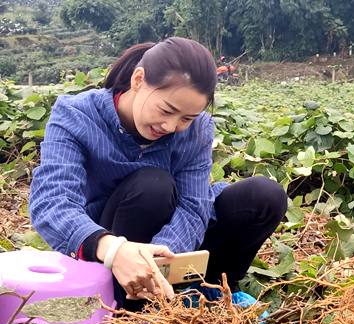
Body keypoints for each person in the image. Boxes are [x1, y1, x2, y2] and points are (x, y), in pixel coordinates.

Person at [29, 37, 288, 310]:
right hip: (105, 246)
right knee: (153, 186)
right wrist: (115, 250)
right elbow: (52, 202)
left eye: (187, 118)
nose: (171, 126)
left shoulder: (197, 131)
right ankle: (127, 306)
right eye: (167, 110)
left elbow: (192, 207)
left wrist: (158, 259)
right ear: (138, 80)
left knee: (264, 196)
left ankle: (210, 288)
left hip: (168, 243)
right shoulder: (76, 115)